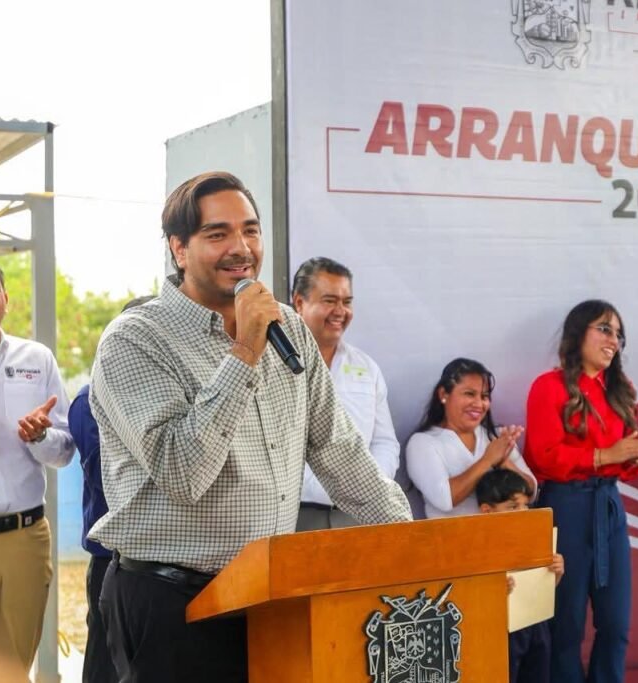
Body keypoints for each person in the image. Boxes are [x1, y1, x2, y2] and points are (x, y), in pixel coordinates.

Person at [88, 171, 412, 683]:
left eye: (251, 230)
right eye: (218, 234)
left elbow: (341, 452)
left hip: (269, 598)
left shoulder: (289, 328)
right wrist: (245, 352)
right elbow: (183, 472)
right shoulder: (135, 340)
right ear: (178, 248)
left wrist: (421, 549)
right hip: (172, 604)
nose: (241, 248)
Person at [523, 299, 638, 683]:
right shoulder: (548, 386)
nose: (613, 340)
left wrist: (636, 456)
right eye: (604, 329)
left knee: (616, 624)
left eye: (618, 334)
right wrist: (605, 455)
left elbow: (622, 467)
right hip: (565, 506)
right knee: (565, 626)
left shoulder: (620, 389)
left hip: (608, 505)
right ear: (578, 332)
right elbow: (542, 457)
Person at [0, 259, 75, 681]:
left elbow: (64, 451)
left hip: (23, 539)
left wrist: (39, 437)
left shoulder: (36, 360)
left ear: (6, 299)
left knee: (10, 671)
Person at [68, 295, 154, 683]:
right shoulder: (89, 400)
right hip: (113, 558)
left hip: (159, 564)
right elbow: (114, 481)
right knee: (105, 665)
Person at [291, 257, 400, 530]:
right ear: (299, 302)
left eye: (347, 302)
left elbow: (385, 442)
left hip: (356, 516)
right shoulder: (272, 362)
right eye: (330, 300)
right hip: (295, 514)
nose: (340, 311)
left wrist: (368, 485)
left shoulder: (366, 368)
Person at [405, 357, 536, 518]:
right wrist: (487, 460)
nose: (479, 404)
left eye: (484, 396)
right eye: (469, 394)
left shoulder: (496, 437)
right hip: (452, 534)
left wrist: (504, 462)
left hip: (505, 533)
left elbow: (531, 492)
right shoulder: (422, 443)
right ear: (443, 394)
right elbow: (445, 500)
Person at [476, 468, 564, 683]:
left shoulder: (536, 537)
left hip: (535, 624)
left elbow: (543, 586)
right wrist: (495, 590)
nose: (523, 512)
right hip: (501, 629)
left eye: (526, 505)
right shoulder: (478, 549)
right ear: (487, 511)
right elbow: (473, 597)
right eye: (513, 507)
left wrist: (555, 572)